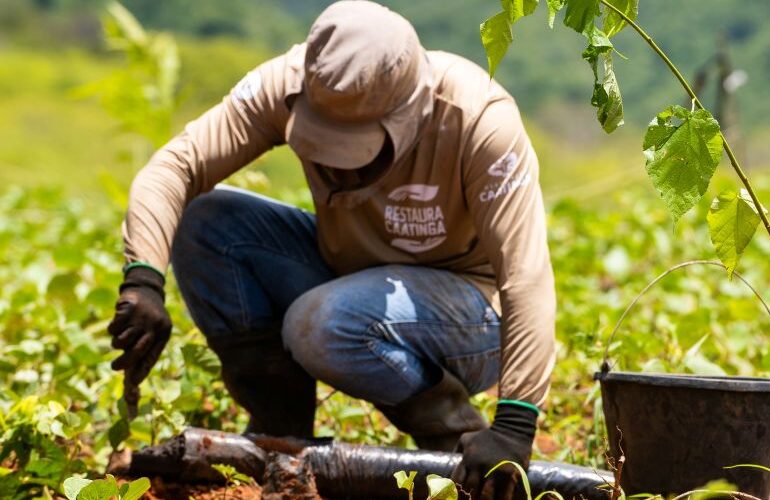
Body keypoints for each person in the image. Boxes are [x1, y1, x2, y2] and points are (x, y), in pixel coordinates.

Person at [103, 1, 555, 496]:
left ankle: (450, 434)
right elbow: (176, 167)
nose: (339, 169)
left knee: (321, 322)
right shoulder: (288, 83)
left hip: (470, 314)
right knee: (207, 221)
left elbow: (525, 275)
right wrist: (144, 277)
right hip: (351, 276)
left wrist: (515, 424)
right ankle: (280, 428)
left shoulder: (476, 119)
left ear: (408, 114)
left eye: (356, 149)